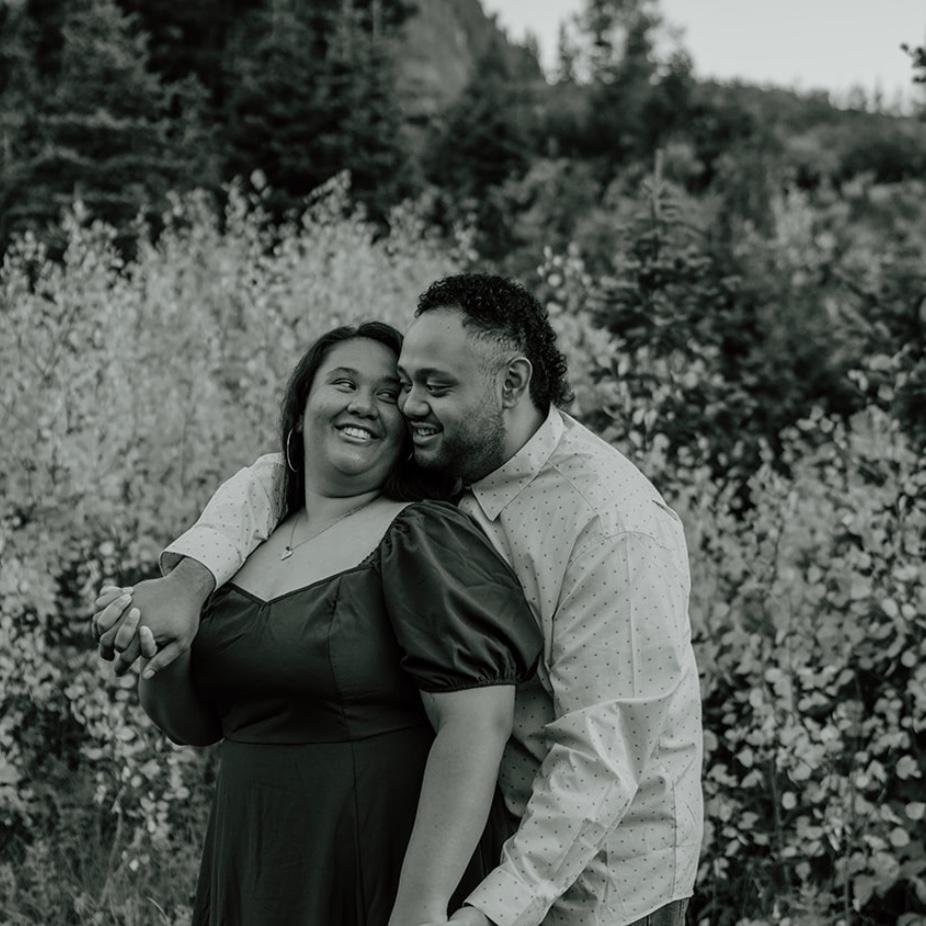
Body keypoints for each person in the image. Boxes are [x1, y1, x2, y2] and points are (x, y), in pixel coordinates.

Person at [95, 274, 703, 926]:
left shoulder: (613, 523)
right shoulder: (450, 460)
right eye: (406, 383)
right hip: (488, 851)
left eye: (432, 387)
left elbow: (603, 755)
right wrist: (185, 585)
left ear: (511, 384)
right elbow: (278, 478)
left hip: (600, 884)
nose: (408, 405)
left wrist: (481, 911)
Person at [119, 320, 543, 926]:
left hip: (372, 867)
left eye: (388, 394)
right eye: (343, 383)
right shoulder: (237, 548)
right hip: (251, 865)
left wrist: (420, 906)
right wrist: (160, 650)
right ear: (300, 410)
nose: (363, 404)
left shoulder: (422, 535)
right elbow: (193, 725)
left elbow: (478, 725)